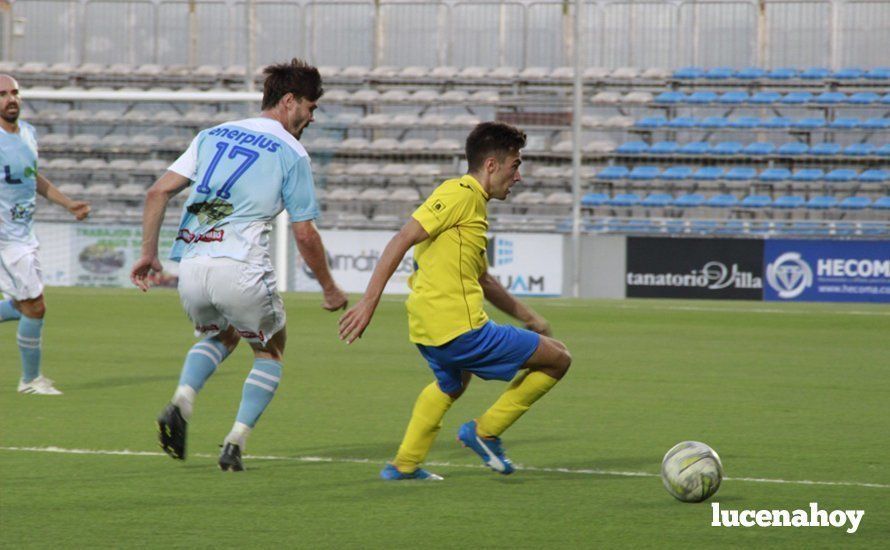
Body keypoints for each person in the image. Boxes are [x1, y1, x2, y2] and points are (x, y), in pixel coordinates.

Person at [130, 58, 348, 472]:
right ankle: (234, 441)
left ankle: (182, 400)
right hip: (240, 266)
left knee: (221, 336)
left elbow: (157, 192)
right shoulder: (292, 152)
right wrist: (329, 287)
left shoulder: (211, 135)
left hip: (191, 266)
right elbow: (304, 233)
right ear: (288, 102)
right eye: (311, 107)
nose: (312, 117)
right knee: (271, 351)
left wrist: (148, 254)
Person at [339, 122, 572, 480]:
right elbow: (402, 238)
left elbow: (484, 279)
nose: (519, 176)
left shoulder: (472, 205)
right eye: (515, 165)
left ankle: (404, 464)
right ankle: (485, 431)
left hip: (427, 329)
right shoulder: (460, 193)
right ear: (492, 165)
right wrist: (369, 302)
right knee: (558, 359)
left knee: (452, 384)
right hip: (459, 329)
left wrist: (529, 316)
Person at [1, 74, 91, 395]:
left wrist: (68, 204)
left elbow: (32, 177)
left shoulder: (28, 134)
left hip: (24, 233)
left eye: (15, 93)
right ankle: (29, 380)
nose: (11, 99)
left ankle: (31, 379)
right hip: (5, 238)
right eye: (2, 94)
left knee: (22, 305)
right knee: (35, 306)